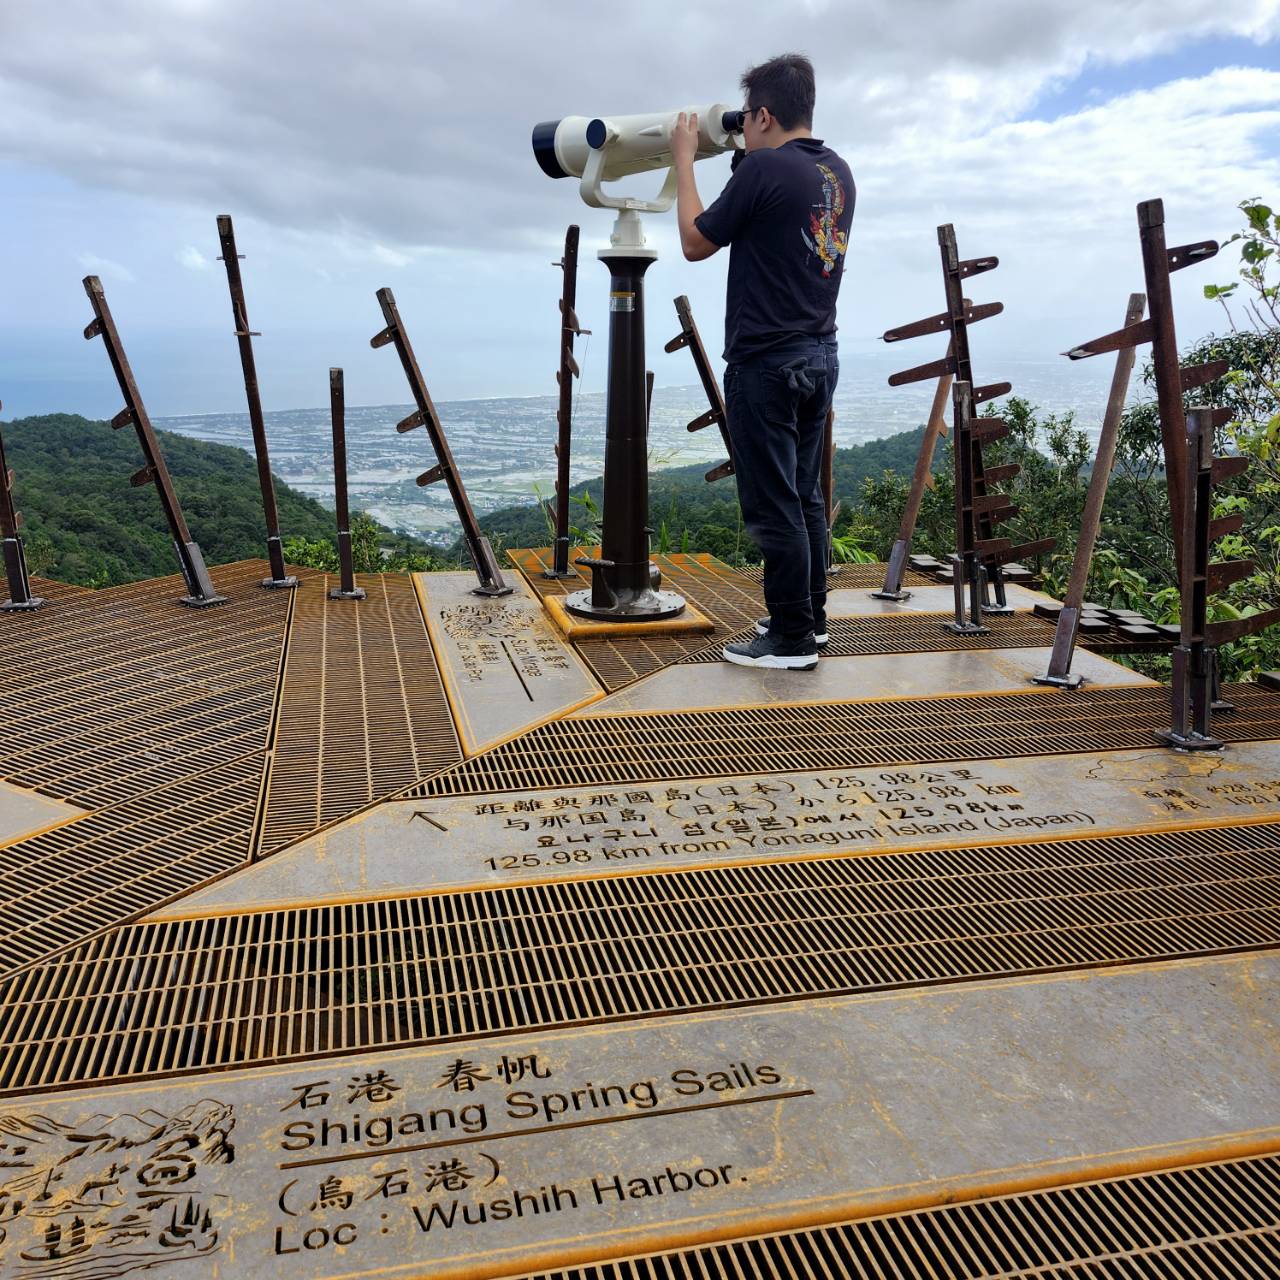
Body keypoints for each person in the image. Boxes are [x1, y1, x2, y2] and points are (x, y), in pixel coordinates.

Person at [671, 53, 854, 671]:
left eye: (747, 118)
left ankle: (791, 640)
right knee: (803, 497)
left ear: (766, 114)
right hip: (818, 354)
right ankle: (809, 620)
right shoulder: (836, 172)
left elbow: (696, 241)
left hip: (766, 364)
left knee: (774, 503)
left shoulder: (763, 172)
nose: (742, 126)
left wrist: (682, 157)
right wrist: (745, 159)